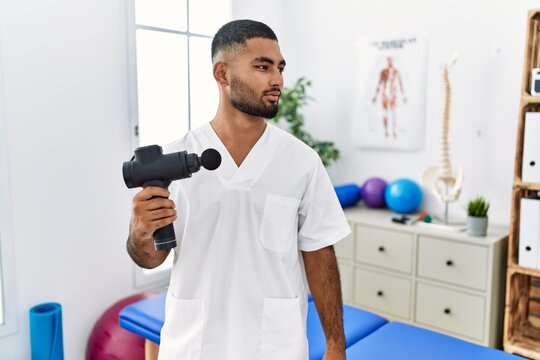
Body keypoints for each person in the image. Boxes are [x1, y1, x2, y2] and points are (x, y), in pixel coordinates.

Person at [127, 19, 351, 360]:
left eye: (279, 68)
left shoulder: (302, 161)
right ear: (222, 74)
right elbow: (150, 257)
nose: (277, 79)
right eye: (262, 67)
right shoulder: (175, 161)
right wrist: (140, 231)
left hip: (274, 346)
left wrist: (335, 344)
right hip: (194, 345)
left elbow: (319, 252)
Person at [372, 56, 407, 138]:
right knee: (385, 113)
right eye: (388, 61)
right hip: (385, 94)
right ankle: (386, 131)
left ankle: (394, 131)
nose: (390, 62)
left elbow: (400, 83)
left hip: (393, 94)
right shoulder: (383, 72)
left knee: (394, 113)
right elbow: (379, 83)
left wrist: (403, 96)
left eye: (391, 60)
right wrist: (375, 96)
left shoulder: (396, 72)